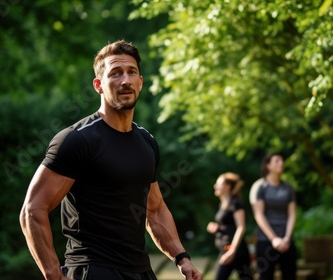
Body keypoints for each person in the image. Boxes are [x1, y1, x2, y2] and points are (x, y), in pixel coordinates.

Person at [19, 39, 203, 280]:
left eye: (131, 72)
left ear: (140, 82)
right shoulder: (77, 140)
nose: (125, 80)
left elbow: (155, 210)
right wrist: (53, 274)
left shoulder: (147, 141)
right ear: (99, 85)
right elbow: (33, 210)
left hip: (141, 271)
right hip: (93, 270)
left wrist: (182, 258)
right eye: (115, 73)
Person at [251, 153, 297, 280]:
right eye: (276, 161)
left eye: (282, 160)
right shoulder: (259, 187)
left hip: (287, 241)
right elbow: (258, 214)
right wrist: (274, 239)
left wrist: (287, 238)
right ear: (268, 165)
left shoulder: (288, 188)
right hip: (266, 241)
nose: (281, 163)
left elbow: (292, 214)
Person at [206, 173, 254, 280]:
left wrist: (232, 251)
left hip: (236, 252)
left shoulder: (236, 204)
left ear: (227, 186)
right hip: (225, 249)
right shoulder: (223, 204)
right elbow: (228, 225)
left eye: (218, 183)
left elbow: (241, 227)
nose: (215, 186)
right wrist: (216, 227)